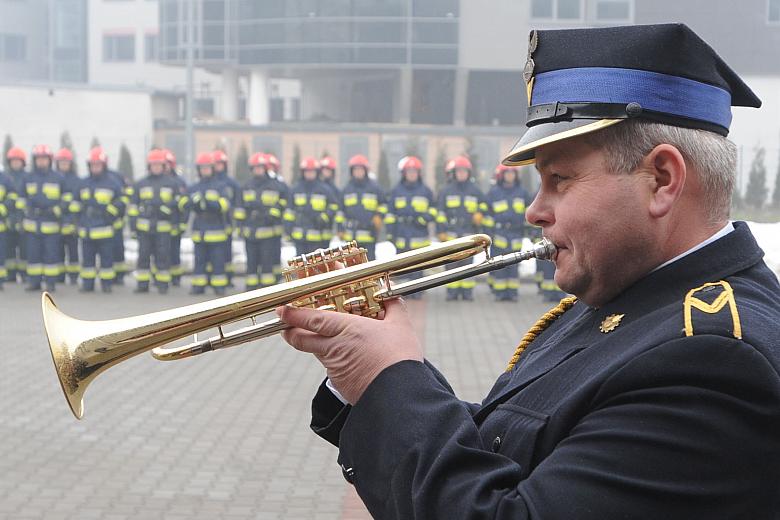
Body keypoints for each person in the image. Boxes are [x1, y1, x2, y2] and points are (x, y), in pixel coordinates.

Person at [276, 24, 780, 518]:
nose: (534, 210)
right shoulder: (625, 298)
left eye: (559, 178)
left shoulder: (712, 359)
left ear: (662, 180)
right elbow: (510, 443)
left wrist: (387, 377)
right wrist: (370, 374)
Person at [383, 155, 435, 298]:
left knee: (419, 266)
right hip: (401, 236)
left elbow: (434, 211)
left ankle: (417, 291)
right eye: (409, 171)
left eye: (414, 171)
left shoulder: (426, 191)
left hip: (419, 236)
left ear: (419, 173)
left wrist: (423, 219)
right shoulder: (396, 191)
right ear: (404, 173)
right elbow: (390, 214)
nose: (412, 174)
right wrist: (390, 233)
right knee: (402, 266)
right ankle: (404, 292)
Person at [435, 155, 486, 300]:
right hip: (451, 236)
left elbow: (484, 205)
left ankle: (467, 292)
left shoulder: (475, 190)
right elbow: (440, 213)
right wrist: (441, 231)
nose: (461, 174)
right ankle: (452, 293)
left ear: (468, 173)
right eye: (459, 171)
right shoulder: (446, 191)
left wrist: (480, 213)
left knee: (468, 265)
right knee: (451, 265)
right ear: (453, 173)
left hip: (469, 235)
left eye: (464, 171)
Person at [128, 149, 179, 294]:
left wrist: (166, 210)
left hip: (163, 228)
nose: (156, 167)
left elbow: (178, 205)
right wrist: (133, 225)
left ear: (163, 166)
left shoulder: (172, 183)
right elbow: (133, 206)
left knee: (162, 257)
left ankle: (162, 284)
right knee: (143, 257)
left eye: (158, 165)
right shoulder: (140, 184)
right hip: (144, 229)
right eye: (153, 165)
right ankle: (142, 284)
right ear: (149, 166)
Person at [181, 152, 231, 295]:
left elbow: (225, 205)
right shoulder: (194, 187)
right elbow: (182, 204)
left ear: (213, 169)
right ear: (199, 170)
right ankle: (199, 286)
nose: (205, 170)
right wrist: (193, 201)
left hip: (216, 230)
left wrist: (210, 203)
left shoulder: (220, 186)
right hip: (199, 230)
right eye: (202, 168)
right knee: (199, 260)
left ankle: (219, 286)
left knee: (218, 261)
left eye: (207, 168)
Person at [77, 148, 125, 293]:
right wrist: (77, 218)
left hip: (105, 230)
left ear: (104, 165)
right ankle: (88, 284)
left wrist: (111, 212)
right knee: (87, 261)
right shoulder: (83, 183)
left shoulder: (113, 183)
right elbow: (75, 202)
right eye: (93, 165)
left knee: (106, 260)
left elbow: (121, 201)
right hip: (87, 230)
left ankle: (107, 284)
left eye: (98, 165)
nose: (95, 167)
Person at [235, 152, 285, 291]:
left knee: (266, 261)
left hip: (267, 231)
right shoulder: (246, 186)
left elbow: (282, 204)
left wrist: (271, 215)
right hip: (250, 231)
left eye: (260, 167)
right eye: (255, 168)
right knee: (251, 261)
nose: (258, 170)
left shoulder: (274, 186)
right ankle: (251, 286)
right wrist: (239, 226)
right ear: (252, 169)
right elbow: (239, 208)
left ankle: (267, 288)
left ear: (265, 168)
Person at [484, 164, 532, 301]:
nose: (510, 176)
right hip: (499, 235)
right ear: (502, 176)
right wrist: (489, 234)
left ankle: (512, 292)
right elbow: (488, 215)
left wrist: (529, 230)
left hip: (516, 234)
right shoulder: (494, 193)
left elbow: (529, 213)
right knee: (499, 264)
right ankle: (500, 293)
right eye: (507, 173)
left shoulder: (522, 193)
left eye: (512, 173)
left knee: (514, 264)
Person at [20, 145, 64, 292]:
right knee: (33, 256)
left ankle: (51, 283)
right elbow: (21, 198)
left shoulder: (58, 178)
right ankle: (34, 282)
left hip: (51, 225)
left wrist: (56, 211)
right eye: (39, 159)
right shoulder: (28, 178)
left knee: (51, 256)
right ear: (35, 160)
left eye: (44, 158)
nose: (41, 161)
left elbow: (66, 199)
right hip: (32, 225)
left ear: (50, 160)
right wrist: (25, 210)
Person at [284, 157, 338, 254]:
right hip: (300, 237)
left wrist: (324, 217)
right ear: (303, 173)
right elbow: (289, 211)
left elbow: (333, 206)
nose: (309, 174)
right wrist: (288, 228)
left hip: (319, 237)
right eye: (307, 171)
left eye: (312, 172)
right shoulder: (295, 189)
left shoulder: (325, 189)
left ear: (317, 172)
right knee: (301, 262)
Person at [338, 154, 386, 261]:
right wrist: (340, 228)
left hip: (369, 235)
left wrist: (378, 216)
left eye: (361, 169)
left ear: (365, 171)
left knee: (370, 265)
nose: (358, 172)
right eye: (356, 169)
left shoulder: (375, 188)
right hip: (351, 238)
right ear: (352, 171)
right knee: (352, 266)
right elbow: (340, 212)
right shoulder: (346, 189)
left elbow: (384, 205)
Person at [212, 149, 239, 287]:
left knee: (226, 252)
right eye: (215, 164)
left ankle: (228, 277)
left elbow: (236, 202)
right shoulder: (209, 182)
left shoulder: (231, 183)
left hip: (227, 222)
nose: (217, 166)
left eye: (220, 164)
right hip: (213, 223)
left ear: (225, 165)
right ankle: (212, 277)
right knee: (214, 254)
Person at [55, 148, 81, 285]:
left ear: (71, 164)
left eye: (66, 162)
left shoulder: (76, 180)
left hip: (72, 222)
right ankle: (60, 276)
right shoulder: (53, 178)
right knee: (58, 251)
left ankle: (74, 276)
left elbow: (78, 201)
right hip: (56, 222)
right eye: (61, 162)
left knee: (73, 251)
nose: (64, 165)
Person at [5, 146, 27, 283]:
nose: (15, 163)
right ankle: (11, 274)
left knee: (25, 248)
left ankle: (24, 274)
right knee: (9, 248)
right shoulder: (5, 177)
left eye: (18, 161)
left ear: (23, 162)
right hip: (8, 217)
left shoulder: (27, 177)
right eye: (13, 161)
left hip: (24, 217)